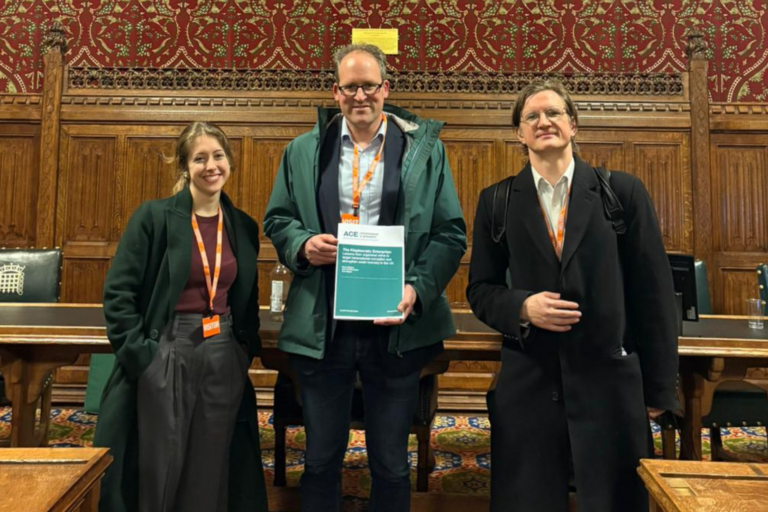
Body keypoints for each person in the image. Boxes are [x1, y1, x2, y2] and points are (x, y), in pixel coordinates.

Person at [263, 43, 466, 512]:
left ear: (385, 89)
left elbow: (450, 233)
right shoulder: (302, 150)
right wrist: (302, 245)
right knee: (319, 460)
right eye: (350, 86)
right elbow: (278, 219)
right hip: (324, 327)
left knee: (392, 465)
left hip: (394, 325)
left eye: (369, 85)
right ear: (335, 92)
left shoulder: (423, 151)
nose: (360, 95)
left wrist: (417, 287)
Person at [466, 80, 678, 512]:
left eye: (554, 113)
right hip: (530, 382)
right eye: (532, 117)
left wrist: (658, 390)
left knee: (615, 501)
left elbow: (654, 296)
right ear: (519, 133)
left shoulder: (621, 193)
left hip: (608, 382)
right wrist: (521, 306)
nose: (544, 121)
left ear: (574, 125)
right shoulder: (497, 201)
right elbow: (481, 289)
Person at [94, 122, 267, 512]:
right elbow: (119, 294)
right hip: (167, 348)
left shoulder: (242, 225)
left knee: (211, 462)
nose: (211, 166)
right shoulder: (153, 218)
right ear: (185, 166)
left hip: (223, 352)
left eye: (218, 156)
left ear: (230, 162)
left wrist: (244, 347)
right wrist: (143, 356)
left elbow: (247, 294)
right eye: (200, 158)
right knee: (160, 461)